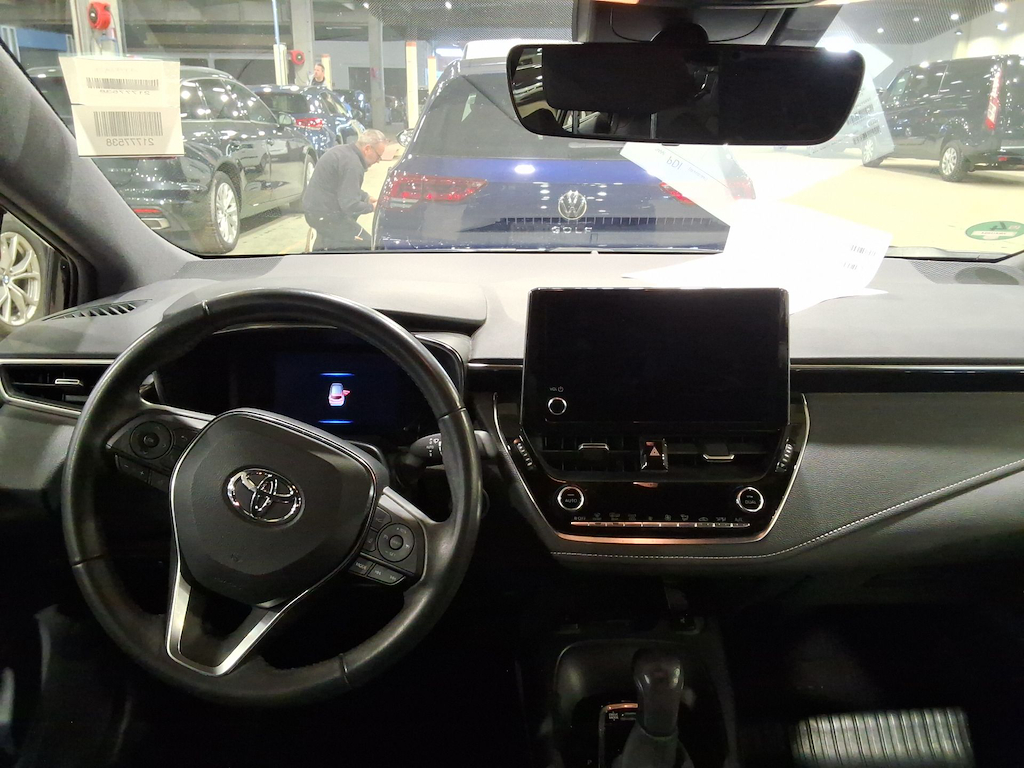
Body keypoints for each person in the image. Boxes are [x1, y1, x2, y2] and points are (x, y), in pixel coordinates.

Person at [303, 129, 388, 251]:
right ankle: (323, 243)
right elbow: (350, 205)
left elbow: (345, 188)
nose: (378, 161)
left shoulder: (344, 152)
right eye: (378, 156)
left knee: (347, 234)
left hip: (316, 211)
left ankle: (323, 241)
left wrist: (366, 198)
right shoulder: (353, 165)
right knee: (369, 247)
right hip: (326, 216)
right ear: (367, 149)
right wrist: (373, 208)